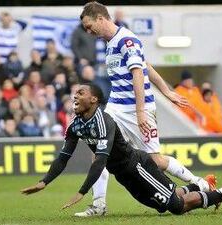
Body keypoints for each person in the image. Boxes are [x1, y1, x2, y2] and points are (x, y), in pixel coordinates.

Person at [21, 83, 222, 216]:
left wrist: (81, 191)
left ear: (94, 99)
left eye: (80, 93)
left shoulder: (104, 121)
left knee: (175, 206)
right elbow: (63, 157)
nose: (75, 96)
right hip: (124, 174)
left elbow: (100, 160)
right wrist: (44, 181)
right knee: (164, 203)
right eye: (75, 93)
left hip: (137, 165)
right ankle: (201, 186)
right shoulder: (76, 124)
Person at [78, 1, 209, 216]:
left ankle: (199, 183)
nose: (88, 31)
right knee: (99, 151)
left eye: (89, 25)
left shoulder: (127, 40)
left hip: (136, 108)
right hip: (116, 107)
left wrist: (141, 111)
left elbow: (139, 72)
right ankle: (98, 205)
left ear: (101, 18)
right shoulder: (110, 42)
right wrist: (166, 90)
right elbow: (147, 65)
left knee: (155, 159)